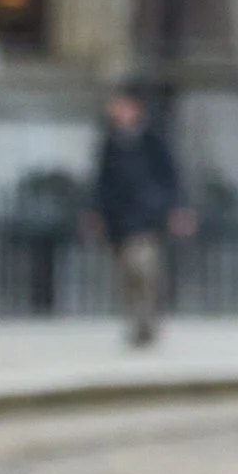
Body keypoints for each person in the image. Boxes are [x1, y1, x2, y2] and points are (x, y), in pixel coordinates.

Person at [85, 91, 192, 345]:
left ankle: (149, 319)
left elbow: (170, 178)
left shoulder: (152, 142)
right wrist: (97, 213)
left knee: (144, 268)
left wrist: (173, 209)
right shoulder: (110, 144)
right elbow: (102, 183)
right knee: (128, 275)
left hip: (146, 218)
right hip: (119, 220)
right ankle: (137, 321)